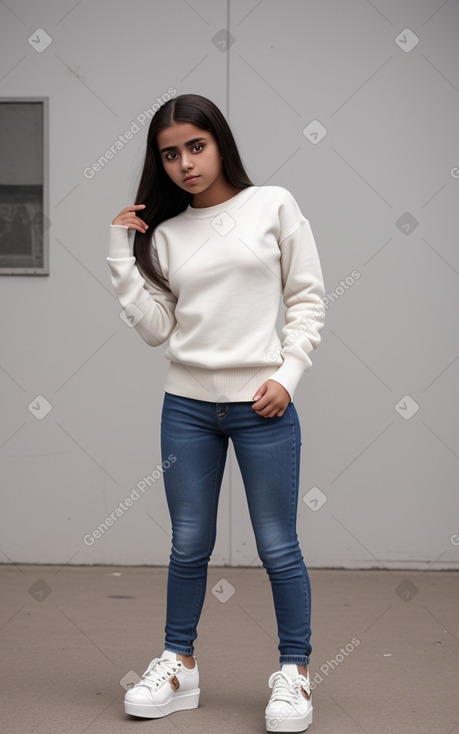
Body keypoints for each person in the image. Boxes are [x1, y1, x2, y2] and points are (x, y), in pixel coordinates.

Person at [107, 93, 326, 733]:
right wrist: (122, 255)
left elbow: (308, 301)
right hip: (188, 409)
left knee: (278, 545)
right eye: (170, 154)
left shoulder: (274, 205)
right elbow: (156, 330)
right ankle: (179, 663)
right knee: (188, 544)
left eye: (194, 147)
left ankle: (295, 674)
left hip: (263, 406)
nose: (184, 163)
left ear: (219, 143)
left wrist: (287, 377)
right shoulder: (169, 236)